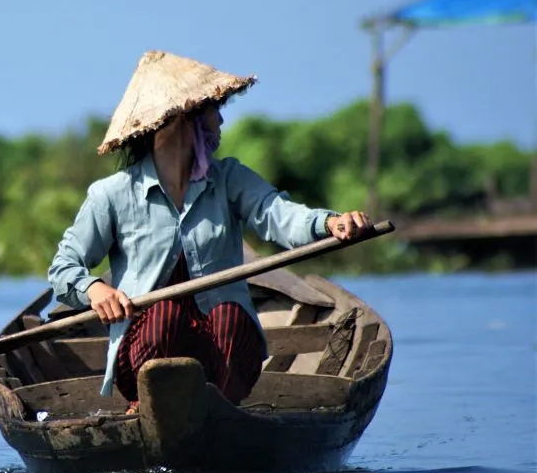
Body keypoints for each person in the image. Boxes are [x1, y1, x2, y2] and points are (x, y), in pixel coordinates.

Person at [47, 51, 372, 412]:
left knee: (230, 316)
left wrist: (328, 223)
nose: (220, 121)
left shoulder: (229, 179)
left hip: (223, 358)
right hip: (144, 357)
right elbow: (64, 267)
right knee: (165, 316)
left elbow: (277, 214)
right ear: (181, 120)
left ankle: (221, 411)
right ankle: (148, 406)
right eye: (213, 109)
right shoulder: (112, 194)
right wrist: (94, 289)